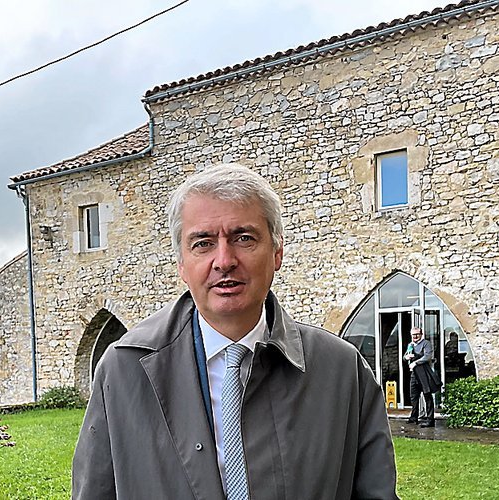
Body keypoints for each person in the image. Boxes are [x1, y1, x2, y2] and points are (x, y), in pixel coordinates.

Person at [72, 163, 398, 499]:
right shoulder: (125, 370)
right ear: (182, 264)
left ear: (277, 253)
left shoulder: (341, 372)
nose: (224, 260)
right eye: (203, 243)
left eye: (244, 238)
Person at [404, 327, 441, 427]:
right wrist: (406, 357)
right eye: (413, 335)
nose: (415, 337)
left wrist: (415, 363)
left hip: (424, 373)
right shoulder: (410, 345)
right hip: (414, 374)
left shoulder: (426, 344)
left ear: (421, 334)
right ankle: (414, 417)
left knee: (427, 395)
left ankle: (430, 420)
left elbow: (427, 356)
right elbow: (405, 356)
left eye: (417, 334)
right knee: (413, 396)